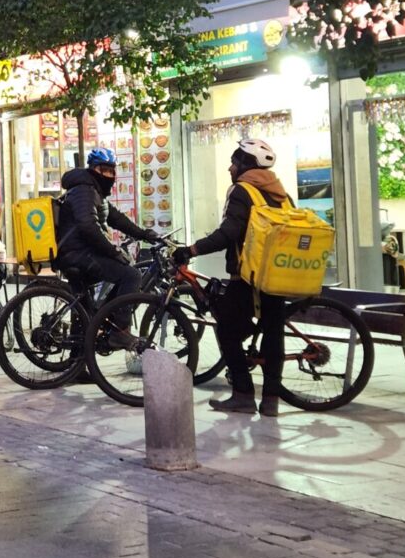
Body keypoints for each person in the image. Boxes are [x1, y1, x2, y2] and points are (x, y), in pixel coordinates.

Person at [172, 138, 291, 417]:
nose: (229, 167)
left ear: (245, 165)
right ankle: (271, 400)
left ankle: (243, 394)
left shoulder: (242, 191)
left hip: (247, 277)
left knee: (226, 329)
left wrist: (191, 249)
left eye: (234, 162)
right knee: (274, 333)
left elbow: (229, 233)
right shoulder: (280, 192)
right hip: (277, 274)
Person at [55, 147, 159, 348]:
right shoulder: (84, 190)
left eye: (112, 171)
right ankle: (120, 331)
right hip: (76, 253)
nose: (110, 175)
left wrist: (144, 234)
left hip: (78, 252)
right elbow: (88, 226)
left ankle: (77, 364)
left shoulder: (94, 191)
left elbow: (115, 218)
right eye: (105, 170)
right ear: (94, 169)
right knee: (131, 276)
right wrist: (112, 252)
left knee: (85, 311)